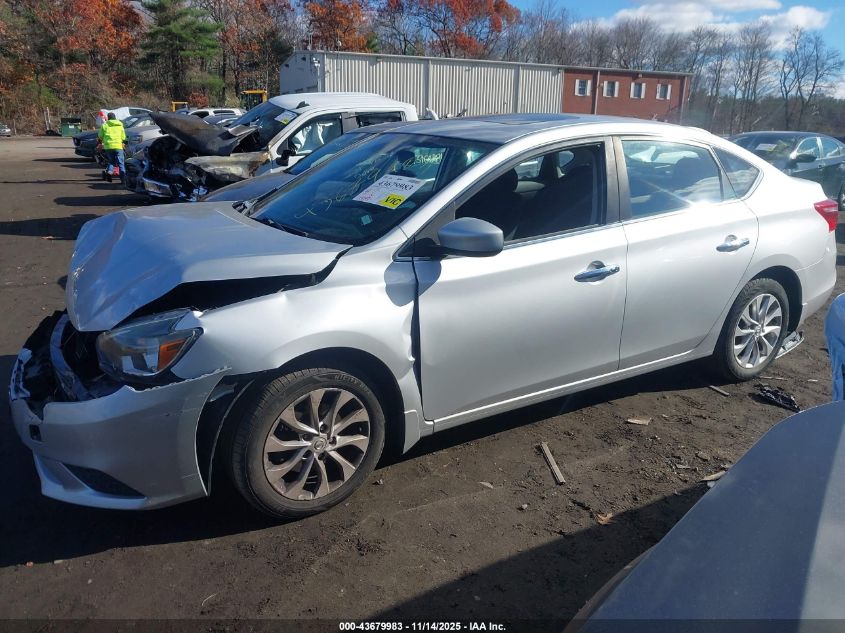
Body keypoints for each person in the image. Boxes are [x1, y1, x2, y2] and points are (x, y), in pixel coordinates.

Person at [97, 112, 126, 180]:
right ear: (115, 117)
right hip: (118, 146)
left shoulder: (104, 125)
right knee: (121, 163)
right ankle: (123, 179)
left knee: (111, 161)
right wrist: (123, 143)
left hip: (108, 147)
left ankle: (110, 172)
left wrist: (100, 144)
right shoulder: (120, 125)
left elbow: (100, 136)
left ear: (108, 118)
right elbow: (123, 137)